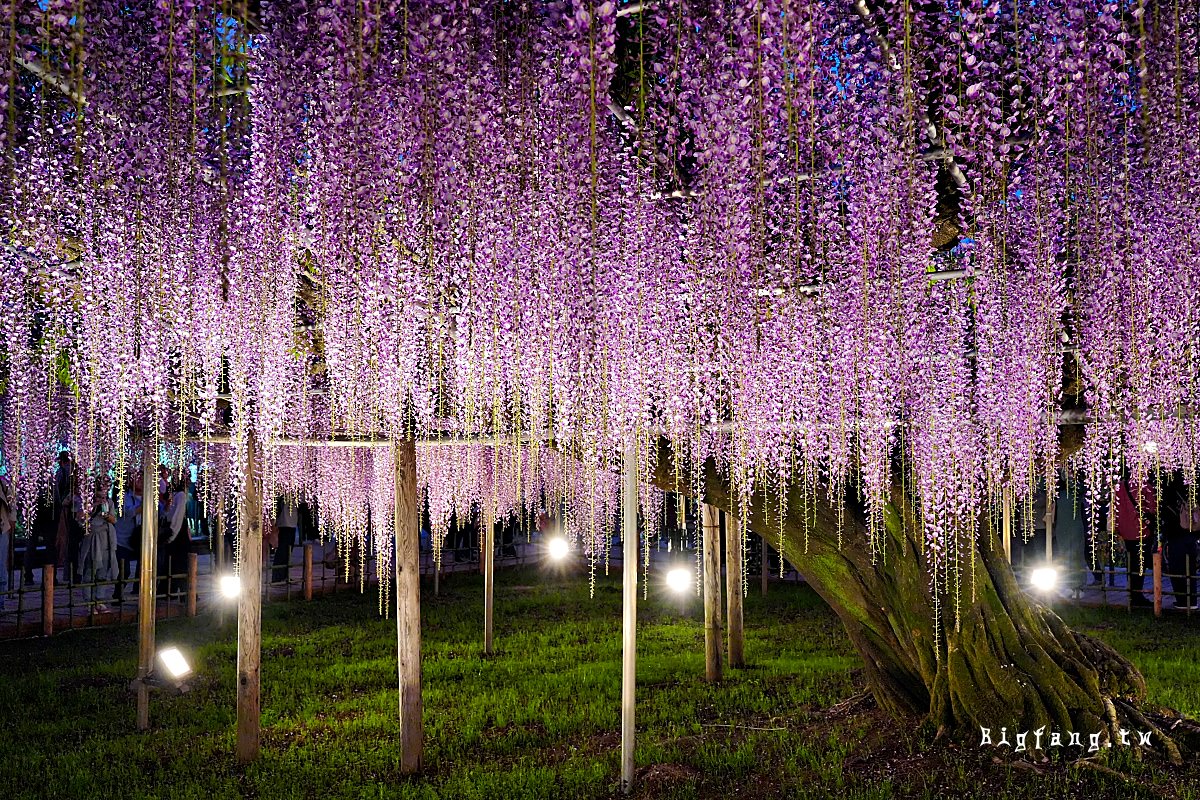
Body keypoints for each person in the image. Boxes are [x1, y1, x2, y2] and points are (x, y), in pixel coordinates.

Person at [1114, 474, 1157, 607]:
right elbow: (1152, 508)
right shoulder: (1145, 486)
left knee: (1132, 562)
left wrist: (1117, 529)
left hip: (1125, 531)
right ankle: (1137, 595)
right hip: (1142, 531)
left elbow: (1116, 510)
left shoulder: (1119, 486)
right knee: (1140, 563)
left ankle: (1133, 593)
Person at [79, 476, 117, 612]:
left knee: (103, 571)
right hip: (91, 539)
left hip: (105, 539)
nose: (102, 496)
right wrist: (93, 508)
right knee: (89, 571)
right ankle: (88, 602)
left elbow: (113, 520)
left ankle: (99, 599)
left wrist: (106, 514)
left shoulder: (110, 503)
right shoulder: (87, 501)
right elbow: (80, 519)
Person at [1161, 474, 1199, 610]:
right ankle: (1192, 600)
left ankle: (1182, 600)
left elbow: (1164, 507)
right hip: (1192, 530)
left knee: (1177, 566)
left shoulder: (1168, 487)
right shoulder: (1191, 482)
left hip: (1175, 532)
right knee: (1191, 567)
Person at [112, 475, 143, 604]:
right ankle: (117, 594)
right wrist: (145, 506)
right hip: (122, 539)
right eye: (138, 479)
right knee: (125, 570)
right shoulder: (123, 497)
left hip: (139, 539)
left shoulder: (150, 497)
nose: (141, 481)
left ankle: (141, 593)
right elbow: (128, 512)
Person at [162, 476, 191, 599]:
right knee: (175, 564)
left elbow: (177, 516)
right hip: (176, 531)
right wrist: (172, 533)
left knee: (178, 564)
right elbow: (174, 515)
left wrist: (171, 533)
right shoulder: (177, 495)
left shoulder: (179, 495)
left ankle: (177, 592)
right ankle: (173, 592)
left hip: (177, 532)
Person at [272, 497, 299, 583]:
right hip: (284, 524)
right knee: (282, 552)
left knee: (288, 552)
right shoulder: (282, 494)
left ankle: (284, 576)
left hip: (292, 524)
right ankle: (277, 577)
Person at [0, 475, 15, 611]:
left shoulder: (3, 483)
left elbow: (11, 503)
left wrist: (12, 519)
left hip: (2, 528)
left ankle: (1, 601)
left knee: (1, 566)